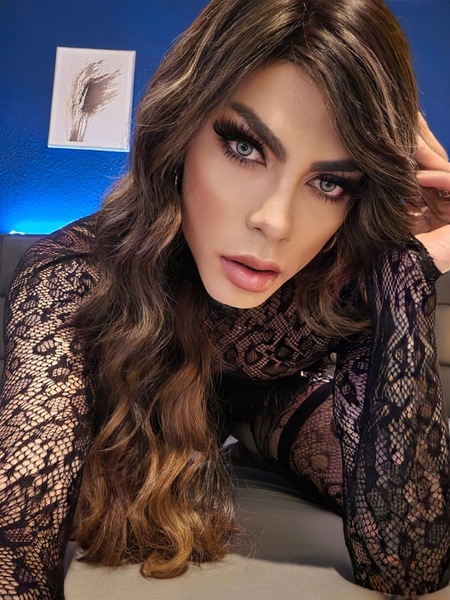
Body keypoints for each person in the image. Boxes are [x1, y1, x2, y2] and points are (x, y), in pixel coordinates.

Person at [1, 0, 450, 598]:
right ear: (180, 129)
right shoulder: (72, 276)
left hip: (276, 401)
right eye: (244, 148)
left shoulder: (346, 277)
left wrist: (406, 265)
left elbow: (408, 565)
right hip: (140, 394)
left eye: (329, 182)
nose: (275, 222)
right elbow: (16, 558)